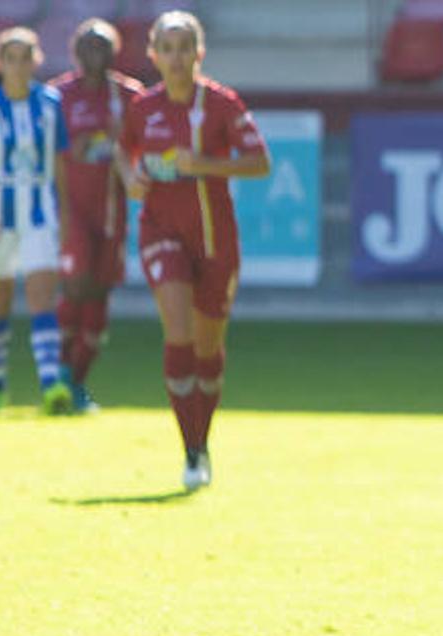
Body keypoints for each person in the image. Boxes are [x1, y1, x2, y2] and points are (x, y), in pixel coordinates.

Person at [117, 10, 270, 490]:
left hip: (215, 239)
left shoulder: (222, 105)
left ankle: (202, 443)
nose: (177, 57)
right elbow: (124, 151)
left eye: (186, 47)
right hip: (161, 229)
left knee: (208, 348)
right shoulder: (143, 107)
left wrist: (201, 163)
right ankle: (190, 452)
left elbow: (260, 163)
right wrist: (133, 179)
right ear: (154, 55)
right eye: (168, 48)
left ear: (200, 54)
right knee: (178, 333)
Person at [0, 27, 72, 415]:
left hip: (39, 212)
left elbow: (59, 162)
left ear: (36, 61)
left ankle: (50, 384)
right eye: (11, 58)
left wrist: (66, 212)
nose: (19, 65)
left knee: (43, 296)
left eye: (26, 57)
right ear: (0, 63)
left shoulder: (50, 104)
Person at [51, 18, 145, 413]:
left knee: (100, 294)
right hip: (71, 209)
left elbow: (143, 147)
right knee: (76, 286)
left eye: (103, 46)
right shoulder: (57, 96)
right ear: (76, 51)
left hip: (111, 211)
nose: (96, 53)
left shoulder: (128, 95)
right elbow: (46, 152)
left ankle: (76, 381)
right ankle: (55, 376)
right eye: (88, 46)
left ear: (114, 52)